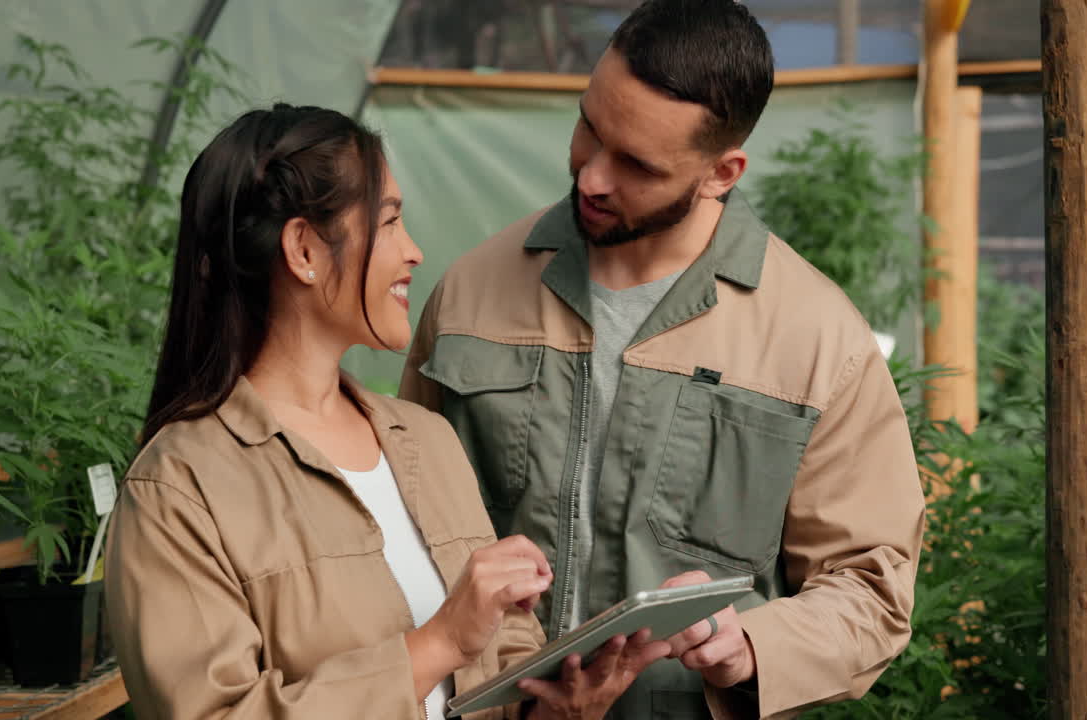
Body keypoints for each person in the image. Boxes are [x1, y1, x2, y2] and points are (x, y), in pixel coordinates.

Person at [397, 1, 928, 718]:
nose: (590, 177)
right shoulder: (468, 297)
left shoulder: (817, 341)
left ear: (722, 172)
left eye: (636, 164)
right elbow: (397, 529)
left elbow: (871, 585)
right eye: (590, 127)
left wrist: (750, 647)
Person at [104, 104, 671, 720]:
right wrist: (440, 642)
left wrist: (563, 704)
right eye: (391, 221)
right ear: (303, 249)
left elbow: (503, 666)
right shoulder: (178, 488)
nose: (414, 251)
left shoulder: (426, 440)